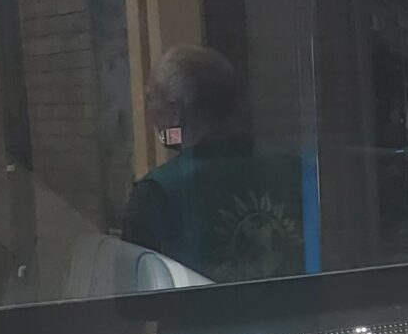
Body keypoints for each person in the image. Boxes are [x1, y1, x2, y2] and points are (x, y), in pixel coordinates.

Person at [123, 44, 306, 282]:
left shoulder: (155, 192)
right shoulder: (296, 171)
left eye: (151, 99)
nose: (149, 113)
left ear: (175, 111)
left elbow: (133, 303)